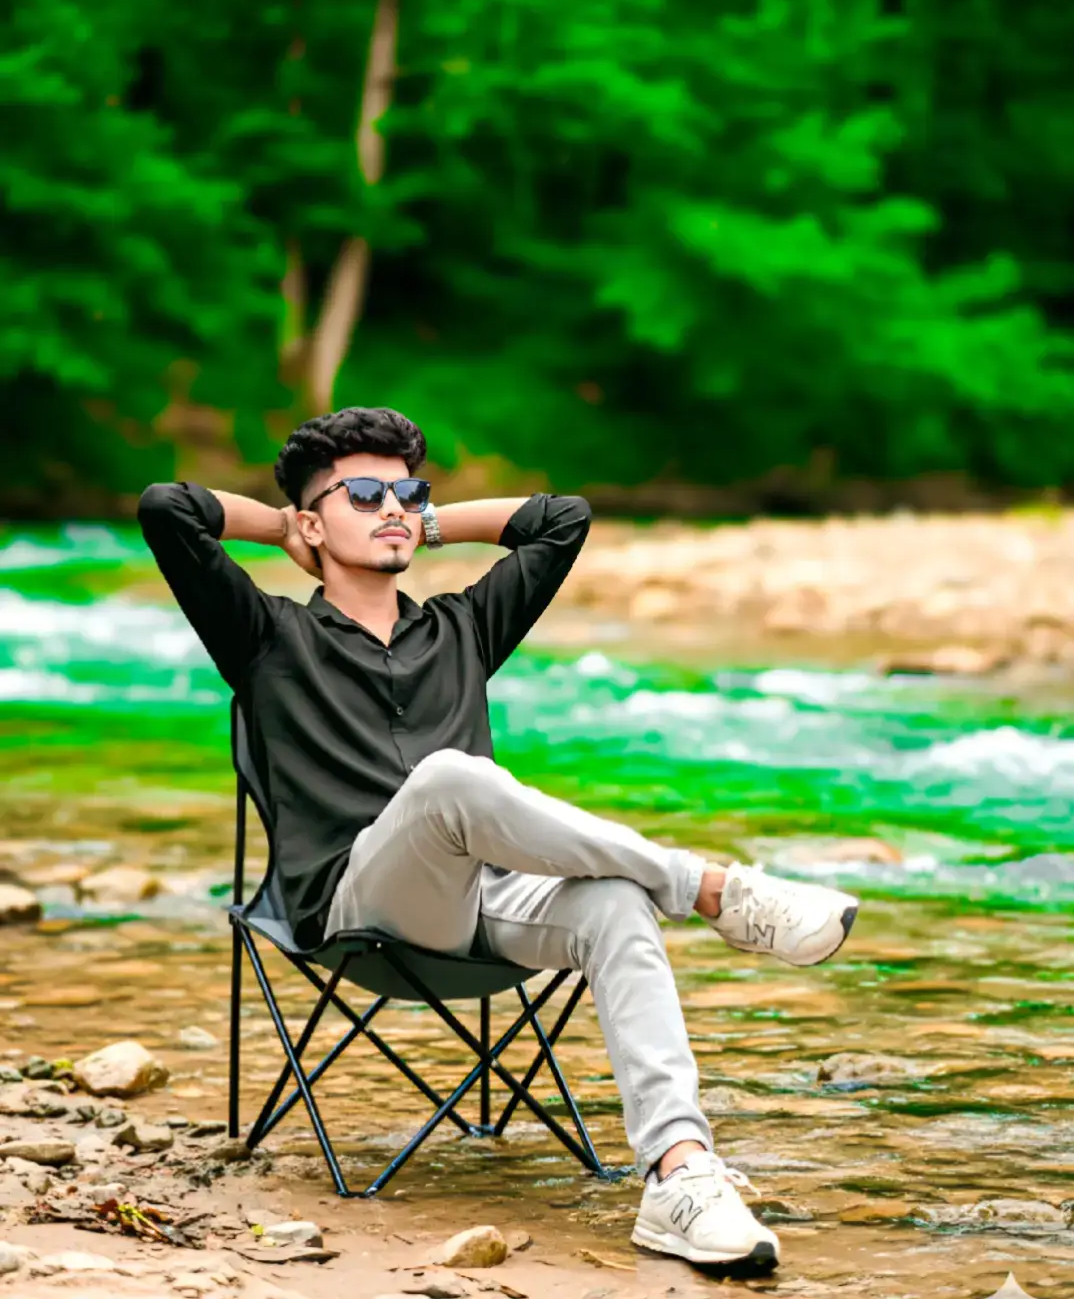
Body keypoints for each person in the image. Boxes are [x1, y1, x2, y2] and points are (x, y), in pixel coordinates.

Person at [138, 406, 858, 1272]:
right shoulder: (265, 635)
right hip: (353, 908)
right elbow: (165, 510)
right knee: (450, 777)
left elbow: (565, 521)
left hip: (481, 901)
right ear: (312, 518)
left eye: (411, 492)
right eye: (363, 493)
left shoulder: (462, 628)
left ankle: (679, 1174)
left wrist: (423, 525)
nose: (394, 507)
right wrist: (284, 527)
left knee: (613, 900)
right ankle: (713, 890)